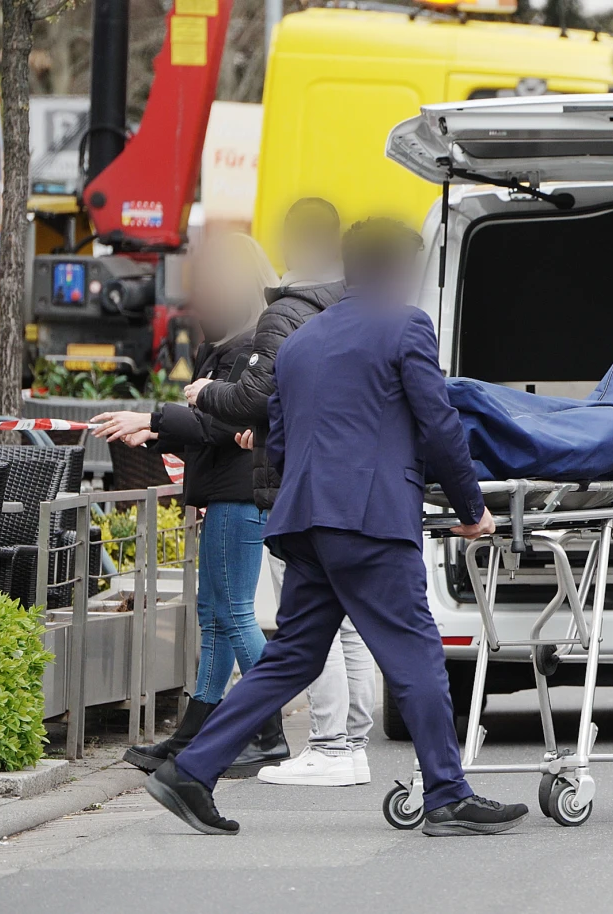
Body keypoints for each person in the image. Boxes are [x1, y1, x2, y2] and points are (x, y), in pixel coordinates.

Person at [144, 217, 528, 838]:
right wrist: (470, 509)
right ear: (402, 273)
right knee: (416, 650)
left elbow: (281, 442)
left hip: (307, 521)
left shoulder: (302, 341)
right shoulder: (405, 325)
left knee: (292, 655)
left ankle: (191, 770)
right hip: (370, 519)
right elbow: (439, 424)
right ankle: (448, 795)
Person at [187, 198, 380, 787]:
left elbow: (255, 395)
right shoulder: (359, 303)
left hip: (294, 485)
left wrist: (202, 396)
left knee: (301, 624)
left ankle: (325, 741)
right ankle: (352, 737)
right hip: (354, 484)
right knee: (347, 625)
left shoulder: (285, 314)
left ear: (292, 244)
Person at [92, 234, 291, 776]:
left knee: (231, 615)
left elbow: (222, 424)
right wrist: (157, 431)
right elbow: (209, 433)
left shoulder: (249, 346)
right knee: (216, 616)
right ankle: (193, 734)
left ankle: (267, 730)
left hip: (236, 495)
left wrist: (152, 421)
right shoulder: (227, 343)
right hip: (225, 493)